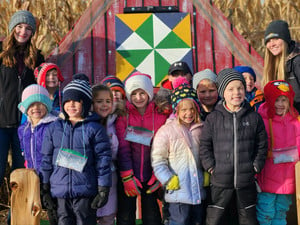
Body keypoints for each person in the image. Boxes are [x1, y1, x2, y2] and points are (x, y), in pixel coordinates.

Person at [40, 74, 112, 225]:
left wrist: (103, 187)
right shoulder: (54, 128)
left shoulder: (95, 129)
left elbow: (103, 160)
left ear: (85, 103)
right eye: (68, 101)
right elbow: (46, 158)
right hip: (60, 191)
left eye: (76, 101)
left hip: (85, 191)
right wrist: (44, 186)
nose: (71, 105)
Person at [199, 68, 268, 225]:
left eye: (240, 88)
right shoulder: (213, 118)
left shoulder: (254, 117)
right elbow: (204, 146)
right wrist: (211, 167)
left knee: (248, 220)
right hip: (220, 182)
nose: (236, 92)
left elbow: (262, 145)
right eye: (231, 89)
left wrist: (256, 166)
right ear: (223, 92)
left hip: (246, 181)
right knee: (217, 220)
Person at [116, 72, 168, 225]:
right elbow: (123, 148)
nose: (138, 98)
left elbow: (163, 147)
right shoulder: (123, 115)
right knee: (126, 215)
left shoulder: (160, 114)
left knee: (152, 216)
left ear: (149, 93)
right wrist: (127, 176)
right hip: (130, 174)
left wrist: (158, 174)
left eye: (142, 93)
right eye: (134, 94)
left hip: (151, 174)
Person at [0, 10, 44, 186]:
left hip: (25, 125)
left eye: (28, 28)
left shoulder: (37, 57)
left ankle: (16, 214)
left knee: (21, 173)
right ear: (12, 29)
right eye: (19, 26)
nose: (23, 31)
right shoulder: (1, 53)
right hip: (1, 123)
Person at [151, 82, 205, 225]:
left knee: (197, 221)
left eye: (192, 109)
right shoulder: (166, 131)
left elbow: (206, 154)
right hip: (178, 191)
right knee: (179, 221)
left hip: (198, 190)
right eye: (184, 110)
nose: (189, 113)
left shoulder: (202, 128)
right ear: (176, 110)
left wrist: (206, 173)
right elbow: (158, 160)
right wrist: (168, 179)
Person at [256, 80, 300, 224]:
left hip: (288, 176)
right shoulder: (262, 120)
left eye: (284, 100)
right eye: (276, 100)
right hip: (268, 174)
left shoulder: (295, 120)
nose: (280, 104)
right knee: (266, 211)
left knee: (282, 210)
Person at [17, 84, 57, 225]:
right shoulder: (23, 129)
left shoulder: (54, 125)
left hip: (52, 176)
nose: (36, 108)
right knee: (33, 209)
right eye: (32, 105)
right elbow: (24, 149)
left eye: (40, 104)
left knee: (53, 209)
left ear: (47, 105)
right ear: (26, 108)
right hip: (33, 176)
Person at [92, 84, 120, 225]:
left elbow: (117, 152)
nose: (104, 105)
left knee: (108, 216)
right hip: (91, 178)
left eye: (108, 101)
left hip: (110, 177)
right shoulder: (88, 124)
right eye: (99, 101)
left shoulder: (114, 122)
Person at [262, 20, 300, 113]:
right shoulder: (272, 64)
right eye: (269, 41)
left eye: (276, 39)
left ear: (285, 39)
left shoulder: (297, 61)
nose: (272, 44)